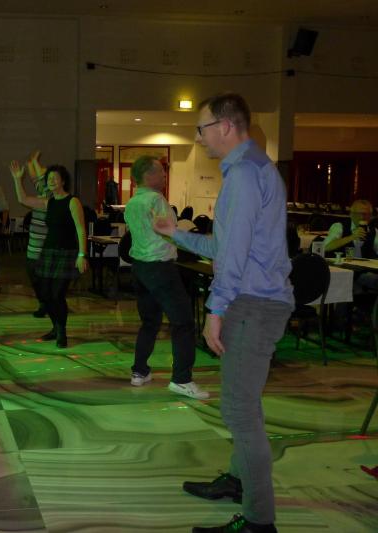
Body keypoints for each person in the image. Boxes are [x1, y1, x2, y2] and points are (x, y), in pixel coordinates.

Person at [154, 93, 293, 533]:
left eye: (202, 128)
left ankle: (258, 521)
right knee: (244, 404)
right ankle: (238, 480)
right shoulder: (250, 169)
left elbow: (232, 257)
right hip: (256, 300)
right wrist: (177, 234)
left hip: (252, 303)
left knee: (239, 411)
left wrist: (215, 308)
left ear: (226, 126)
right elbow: (224, 244)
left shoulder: (245, 174)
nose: (199, 137)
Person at [124, 155, 208, 400]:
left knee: (149, 322)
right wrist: (202, 248)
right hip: (160, 268)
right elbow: (171, 234)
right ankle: (182, 379)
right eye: (161, 171)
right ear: (148, 176)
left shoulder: (132, 202)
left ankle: (139, 372)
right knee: (183, 323)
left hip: (139, 268)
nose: (164, 175)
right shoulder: (156, 200)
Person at [10, 159, 87, 348]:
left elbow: (81, 229)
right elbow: (23, 199)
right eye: (49, 178)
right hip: (48, 253)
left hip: (66, 254)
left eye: (55, 178)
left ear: (63, 181)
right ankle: (55, 327)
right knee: (46, 295)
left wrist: (82, 255)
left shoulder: (73, 201)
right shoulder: (48, 202)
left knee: (57, 294)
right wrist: (17, 179)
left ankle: (62, 332)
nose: (51, 181)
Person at [24, 150, 50, 317]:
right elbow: (35, 178)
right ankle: (44, 304)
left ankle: (45, 305)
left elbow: (38, 176)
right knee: (35, 279)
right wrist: (31, 163)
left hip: (42, 249)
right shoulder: (42, 190)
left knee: (42, 281)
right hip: (33, 248)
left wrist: (34, 162)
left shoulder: (50, 197)